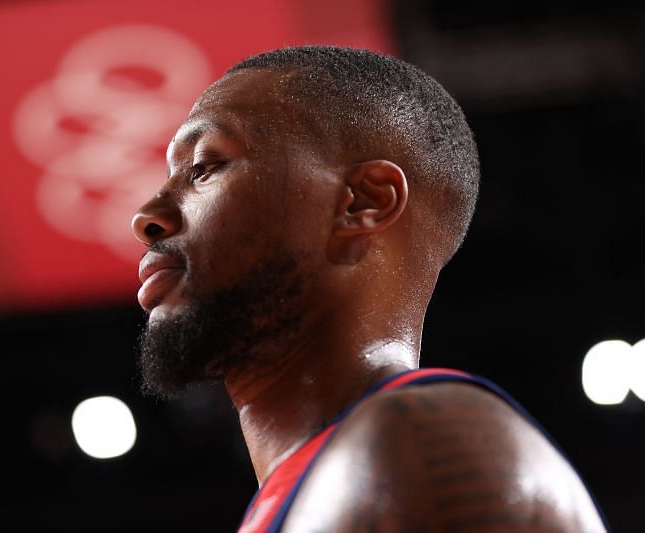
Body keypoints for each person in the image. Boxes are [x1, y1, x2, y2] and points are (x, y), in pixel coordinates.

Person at [131, 46, 608, 532]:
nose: (147, 216)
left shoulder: (419, 445)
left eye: (204, 167)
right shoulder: (334, 477)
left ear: (364, 201)